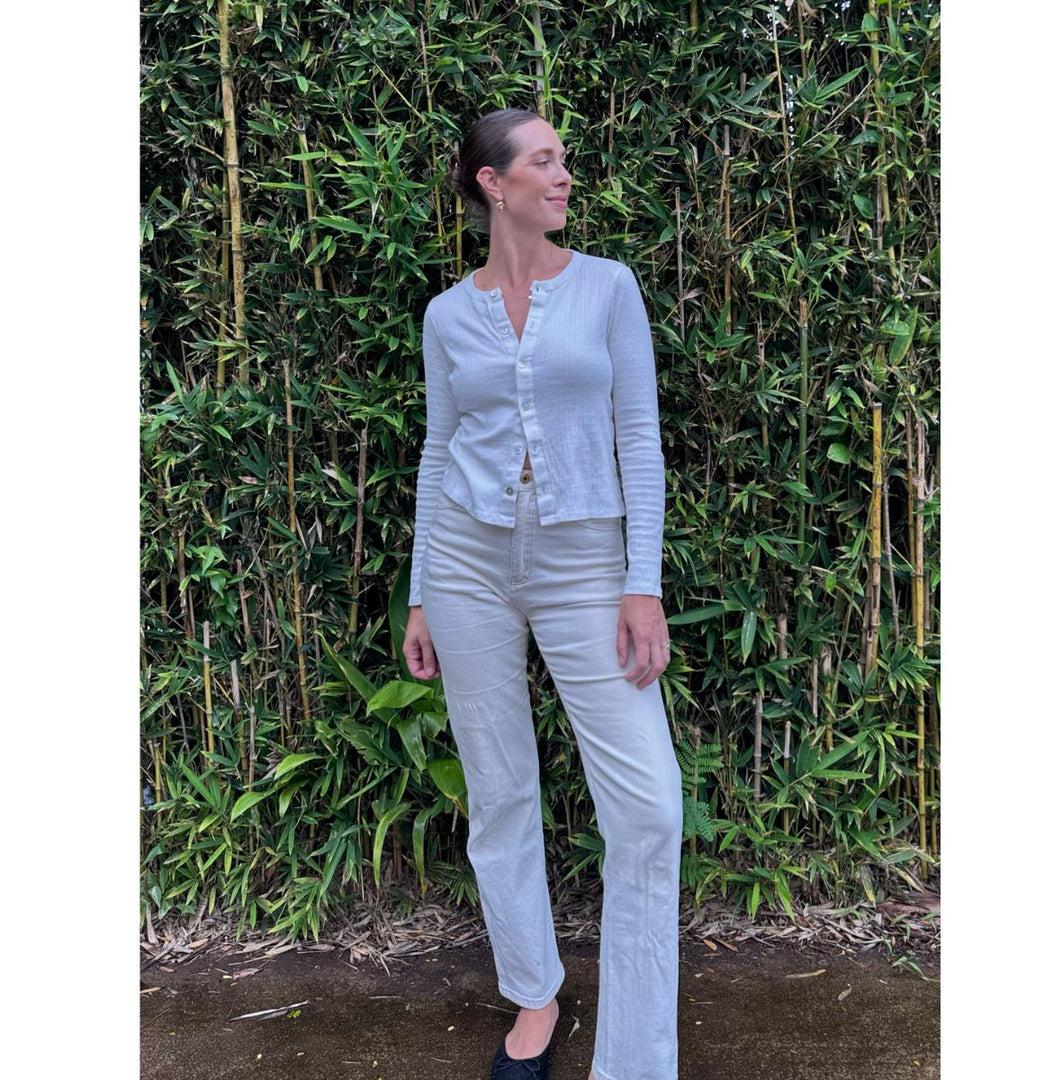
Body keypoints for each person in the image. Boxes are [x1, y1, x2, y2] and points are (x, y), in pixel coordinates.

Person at [403, 107, 683, 1080]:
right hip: (465, 564)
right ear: (494, 183)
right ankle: (534, 994)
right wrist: (420, 593)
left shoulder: (608, 288)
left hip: (585, 566)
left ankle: (634, 1062)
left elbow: (638, 438)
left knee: (648, 807)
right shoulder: (447, 315)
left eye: (563, 159)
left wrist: (641, 584)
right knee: (499, 791)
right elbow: (439, 448)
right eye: (545, 160)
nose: (564, 175)